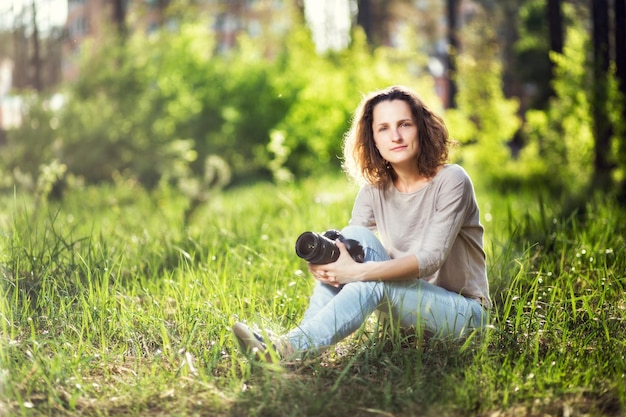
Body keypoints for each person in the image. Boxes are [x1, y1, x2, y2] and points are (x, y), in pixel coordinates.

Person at [232, 85, 491, 361]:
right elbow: (353, 253)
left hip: (464, 317)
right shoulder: (373, 190)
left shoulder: (452, 180)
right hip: (404, 321)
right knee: (351, 239)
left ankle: (286, 348)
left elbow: (429, 259)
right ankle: (292, 344)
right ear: (373, 140)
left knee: (367, 276)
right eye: (384, 129)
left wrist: (355, 273)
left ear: (422, 129)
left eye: (404, 124)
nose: (396, 136)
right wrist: (328, 264)